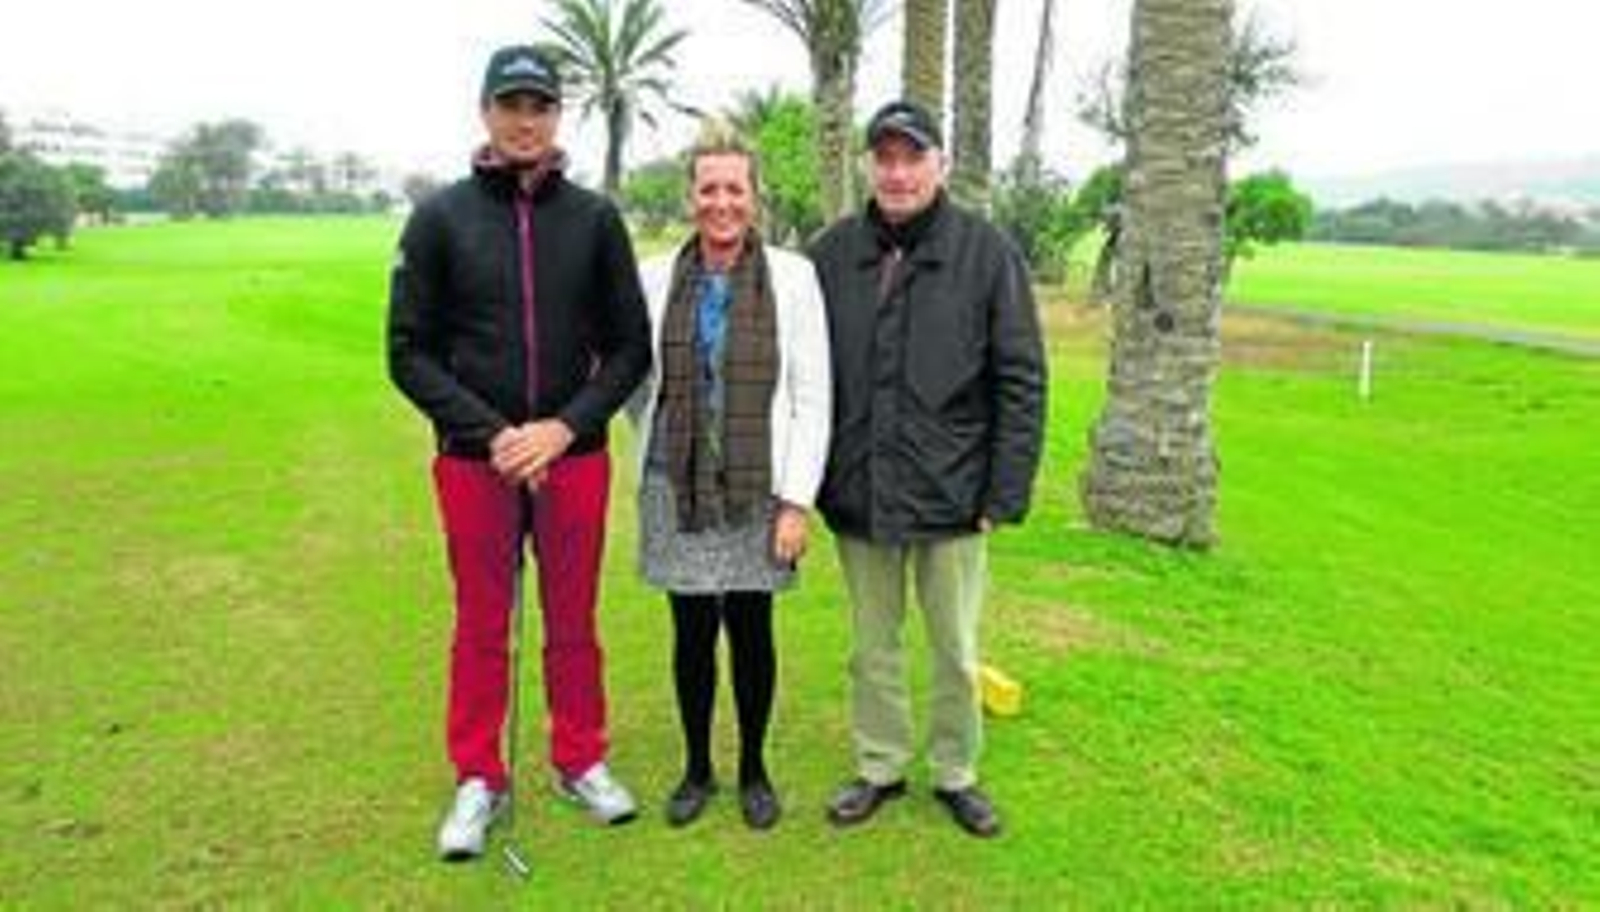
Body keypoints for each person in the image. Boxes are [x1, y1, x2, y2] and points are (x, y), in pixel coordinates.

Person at [387, 44, 651, 861]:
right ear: (486, 114)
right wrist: (495, 432)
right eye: (512, 105)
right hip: (477, 462)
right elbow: (409, 352)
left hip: (574, 458)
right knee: (480, 623)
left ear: (556, 116)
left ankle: (580, 758)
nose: (526, 120)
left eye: (539, 105)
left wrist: (562, 428)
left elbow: (631, 348)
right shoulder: (440, 218)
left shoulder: (596, 219)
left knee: (574, 620)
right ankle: (479, 776)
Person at [806, 100, 1046, 839]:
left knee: (955, 648)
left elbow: (1021, 378)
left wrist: (1003, 492)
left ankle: (956, 772)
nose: (899, 172)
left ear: (939, 164)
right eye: (885, 158)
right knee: (872, 647)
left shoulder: (987, 252)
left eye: (913, 157)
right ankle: (879, 765)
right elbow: (805, 374)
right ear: (868, 166)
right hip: (859, 489)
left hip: (956, 494)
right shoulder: (830, 253)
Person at [630, 121, 832, 831]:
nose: (722, 202)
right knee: (689, 633)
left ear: (755, 197)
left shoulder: (794, 277)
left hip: (758, 488)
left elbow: (814, 397)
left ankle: (752, 768)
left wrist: (796, 504)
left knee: (751, 629)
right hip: (674, 483)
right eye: (708, 188)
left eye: (734, 189)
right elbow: (630, 379)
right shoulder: (653, 277)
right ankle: (696, 769)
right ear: (691, 196)